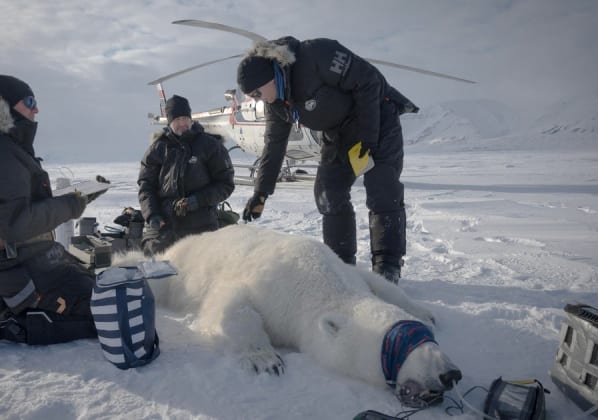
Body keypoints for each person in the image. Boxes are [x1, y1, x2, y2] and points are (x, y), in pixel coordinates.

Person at [236, 37, 419, 284]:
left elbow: (368, 80)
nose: (258, 99)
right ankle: (341, 265)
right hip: (339, 135)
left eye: (257, 92)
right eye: (252, 96)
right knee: (328, 191)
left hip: (377, 119)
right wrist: (261, 193)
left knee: (382, 189)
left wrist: (368, 138)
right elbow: (274, 146)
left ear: (270, 75)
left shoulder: (316, 55)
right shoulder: (277, 104)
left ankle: (387, 264)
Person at [0, 74, 97, 348]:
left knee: (96, 286)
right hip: (11, 265)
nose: (36, 109)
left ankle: (5, 301)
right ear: (5, 106)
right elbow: (15, 224)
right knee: (98, 314)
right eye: (29, 102)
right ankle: (3, 320)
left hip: (27, 256)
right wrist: (71, 205)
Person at [138, 95, 235, 255]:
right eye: (177, 119)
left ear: (191, 119)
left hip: (201, 225)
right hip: (164, 226)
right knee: (154, 267)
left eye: (185, 118)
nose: (182, 123)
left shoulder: (209, 145)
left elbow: (225, 184)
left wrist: (196, 201)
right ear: (169, 122)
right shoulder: (158, 149)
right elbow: (146, 185)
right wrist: (152, 214)